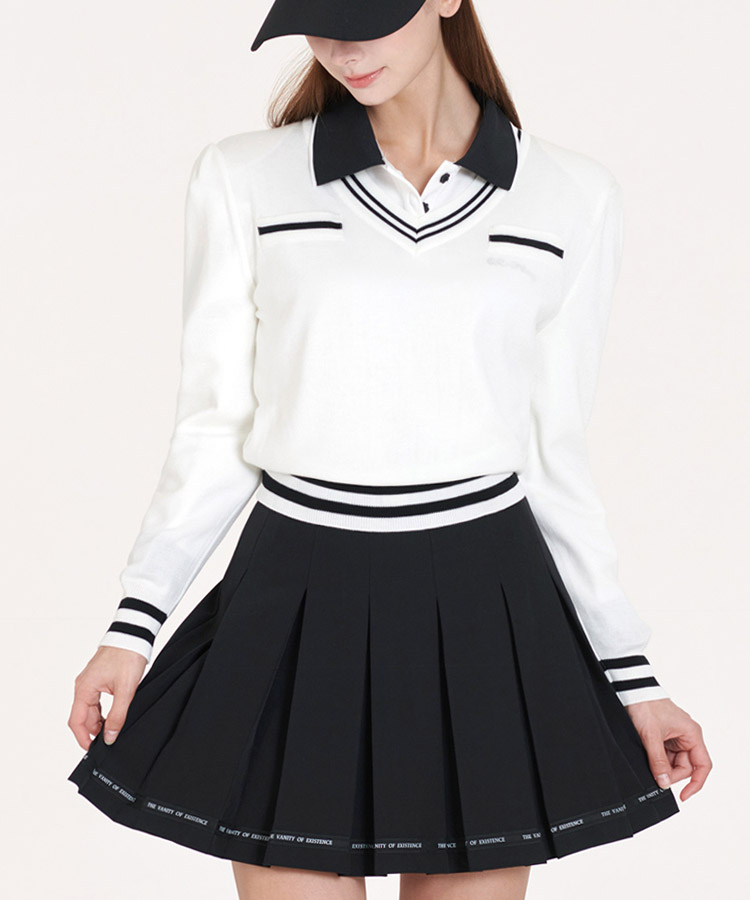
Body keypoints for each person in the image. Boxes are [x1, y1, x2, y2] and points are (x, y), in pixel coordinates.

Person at [67, 2, 712, 898]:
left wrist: (633, 677)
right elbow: (216, 425)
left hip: (488, 601)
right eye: (317, 20)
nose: (341, 47)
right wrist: (133, 625)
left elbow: (552, 452)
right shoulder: (244, 177)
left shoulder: (573, 195)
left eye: (366, 14)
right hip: (294, 593)